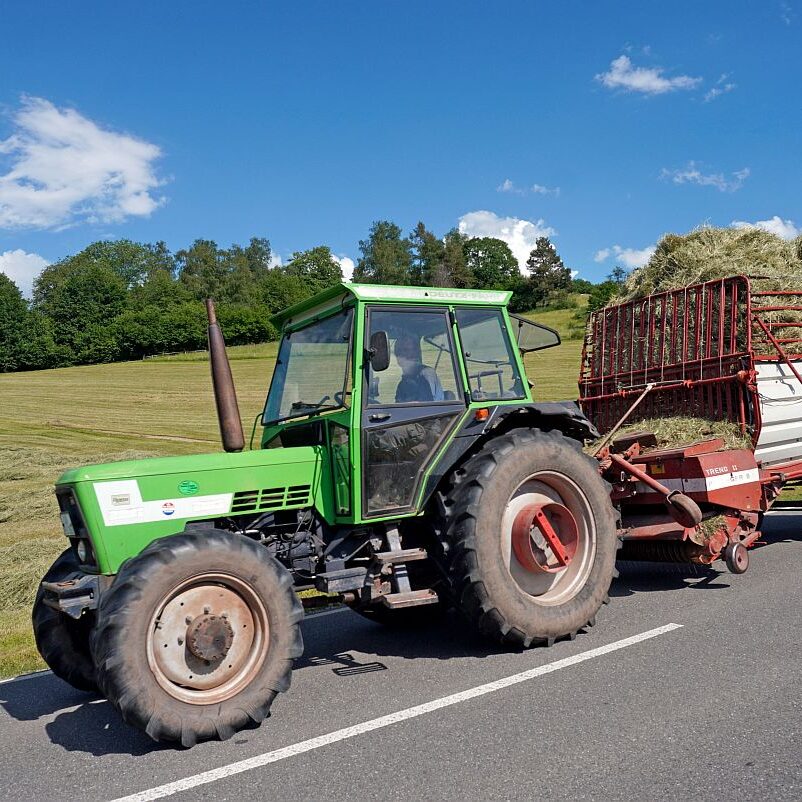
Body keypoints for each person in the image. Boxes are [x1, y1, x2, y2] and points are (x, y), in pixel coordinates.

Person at [394, 335, 444, 403]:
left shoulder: (426, 373)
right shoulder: (403, 383)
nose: (411, 354)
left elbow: (428, 405)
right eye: (404, 351)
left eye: (413, 350)